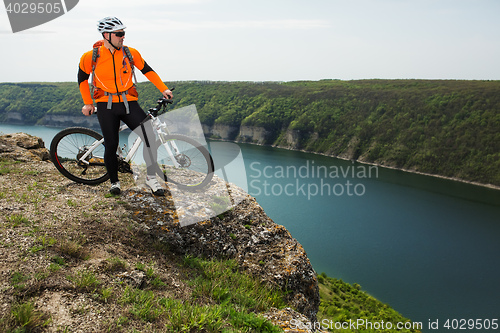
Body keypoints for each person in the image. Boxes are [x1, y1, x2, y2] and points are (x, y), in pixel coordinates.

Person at [78, 16, 172, 196]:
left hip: (129, 103)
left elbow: (148, 71)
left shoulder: (130, 53)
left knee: (150, 137)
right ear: (106, 35)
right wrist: (88, 103)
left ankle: (151, 179)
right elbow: (82, 79)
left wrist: (164, 89)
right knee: (111, 144)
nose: (123, 37)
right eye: (119, 34)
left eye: (124, 33)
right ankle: (114, 182)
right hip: (106, 105)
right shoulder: (91, 56)